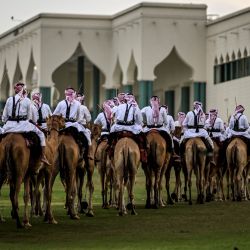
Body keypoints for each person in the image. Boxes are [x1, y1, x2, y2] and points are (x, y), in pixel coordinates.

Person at [1, 82, 50, 165]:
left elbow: (4, 117)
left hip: (9, 126)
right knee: (41, 134)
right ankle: (42, 156)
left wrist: (7, 121)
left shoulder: (9, 99)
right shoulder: (27, 101)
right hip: (23, 125)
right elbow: (30, 117)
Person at [53, 87, 92, 158]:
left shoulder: (74, 104)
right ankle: (86, 154)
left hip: (66, 125)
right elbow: (78, 117)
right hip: (69, 125)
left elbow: (54, 115)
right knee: (84, 138)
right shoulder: (73, 103)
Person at [109, 93, 147, 162]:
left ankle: (110, 148)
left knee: (111, 135)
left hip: (119, 127)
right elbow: (139, 121)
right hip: (131, 128)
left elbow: (115, 117)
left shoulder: (119, 107)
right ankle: (143, 152)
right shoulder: (135, 108)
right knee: (142, 138)